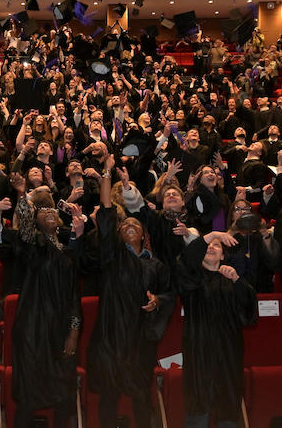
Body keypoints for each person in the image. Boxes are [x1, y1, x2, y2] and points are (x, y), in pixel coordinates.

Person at [85, 154, 173, 428]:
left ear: (144, 235)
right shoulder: (113, 257)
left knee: (141, 397)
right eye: (126, 225)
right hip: (111, 335)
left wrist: (158, 300)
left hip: (140, 338)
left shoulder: (156, 265)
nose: (131, 226)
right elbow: (107, 211)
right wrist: (106, 173)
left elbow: (169, 294)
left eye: (136, 225)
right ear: (119, 234)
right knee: (109, 397)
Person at [0, 192, 84, 428]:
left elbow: (74, 294)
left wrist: (73, 332)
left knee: (63, 394)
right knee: (29, 394)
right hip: (33, 328)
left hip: (61, 329)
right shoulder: (33, 246)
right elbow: (25, 231)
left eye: (52, 211)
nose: (49, 212)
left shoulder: (68, 252)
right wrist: (22, 196)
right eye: (43, 212)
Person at [175, 224, 256, 428]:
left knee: (228, 406)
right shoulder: (192, 280)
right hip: (200, 350)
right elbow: (185, 260)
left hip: (228, 352)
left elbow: (249, 315)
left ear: (223, 255)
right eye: (207, 245)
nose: (211, 246)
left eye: (217, 245)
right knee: (198, 405)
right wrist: (212, 235)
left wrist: (237, 280)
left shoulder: (232, 280)